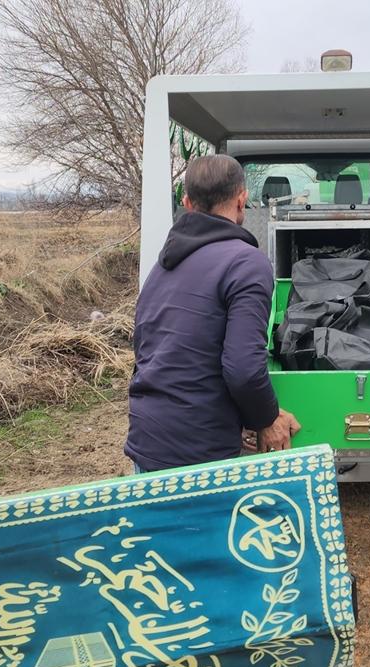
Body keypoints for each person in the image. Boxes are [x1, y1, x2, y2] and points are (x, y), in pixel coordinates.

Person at [126, 154, 300, 472]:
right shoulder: (246, 262)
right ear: (242, 199)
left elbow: (145, 345)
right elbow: (244, 370)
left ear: (188, 202)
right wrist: (267, 418)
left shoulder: (163, 264)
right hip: (198, 449)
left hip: (147, 436)